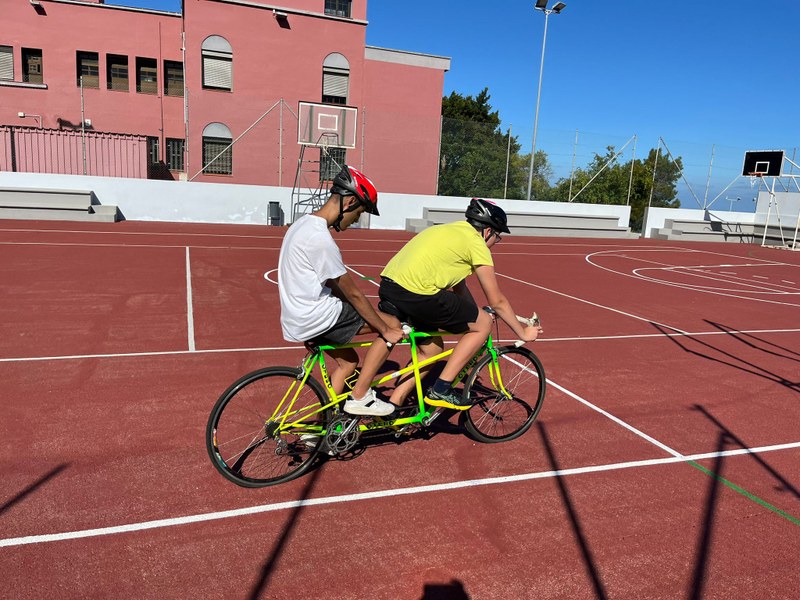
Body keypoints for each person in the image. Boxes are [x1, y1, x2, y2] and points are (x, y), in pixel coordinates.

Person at [370, 198, 543, 410]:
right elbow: (497, 300)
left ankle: (394, 405)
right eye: (497, 237)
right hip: (417, 292)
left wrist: (477, 313)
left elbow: (459, 288)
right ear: (488, 231)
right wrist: (523, 333)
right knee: (484, 325)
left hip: (390, 287)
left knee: (432, 350)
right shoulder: (476, 242)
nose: (495, 242)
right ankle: (441, 388)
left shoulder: (447, 231)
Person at [278, 165, 403, 417]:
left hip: (297, 317)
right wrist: (385, 328)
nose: (356, 219)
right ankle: (361, 397)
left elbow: (333, 286)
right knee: (391, 323)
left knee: (349, 363)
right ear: (350, 202)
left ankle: (318, 426)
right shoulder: (320, 239)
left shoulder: (301, 225)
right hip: (317, 316)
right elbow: (353, 293)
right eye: (359, 212)